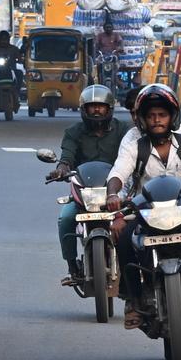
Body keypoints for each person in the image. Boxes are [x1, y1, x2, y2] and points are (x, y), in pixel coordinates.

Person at [105, 84, 181, 327]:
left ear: (172, 116)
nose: (157, 120)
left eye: (162, 114)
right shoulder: (132, 139)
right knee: (125, 241)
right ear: (142, 118)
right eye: (151, 115)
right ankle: (133, 301)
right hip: (147, 210)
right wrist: (112, 194)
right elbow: (119, 171)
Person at [45, 84, 131, 285]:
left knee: (137, 221)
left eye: (101, 106)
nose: (96, 110)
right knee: (66, 219)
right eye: (92, 106)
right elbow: (67, 157)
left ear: (109, 108)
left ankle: (136, 267)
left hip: (117, 190)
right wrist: (61, 169)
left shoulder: (123, 131)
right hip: (86, 193)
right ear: (84, 109)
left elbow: (131, 156)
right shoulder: (73, 132)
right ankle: (72, 266)